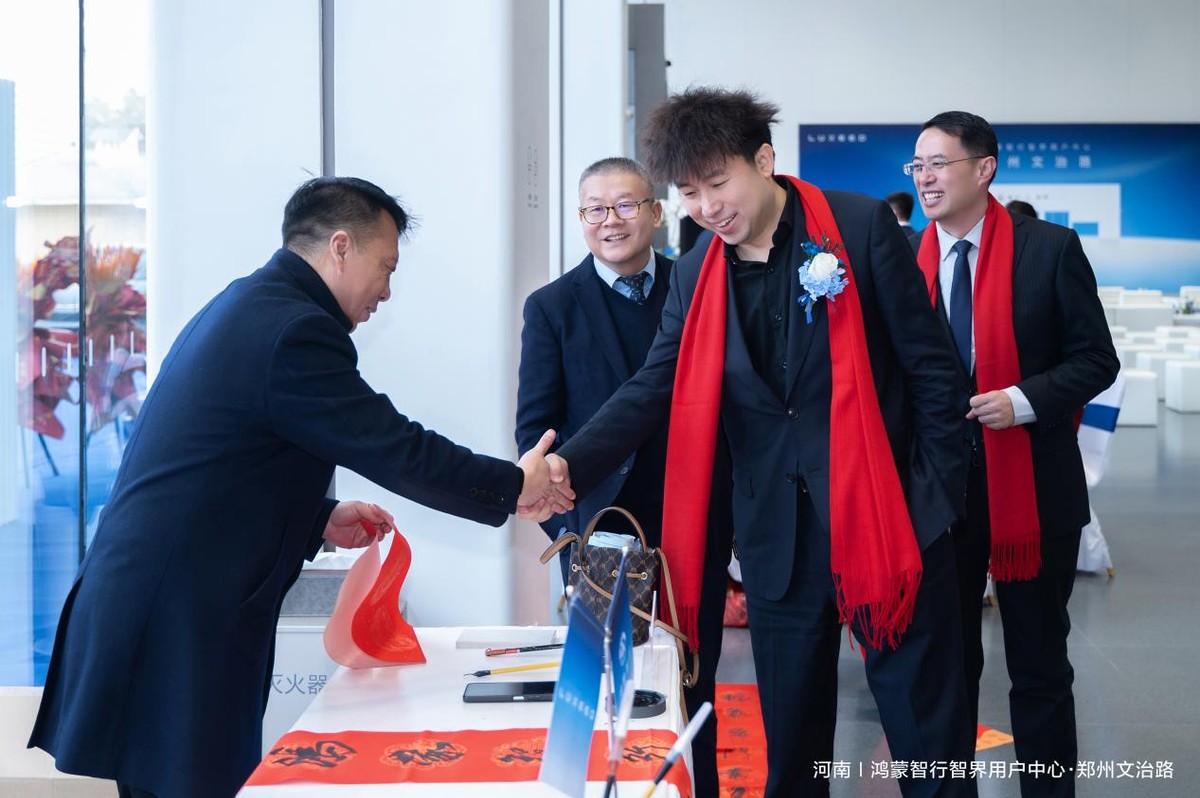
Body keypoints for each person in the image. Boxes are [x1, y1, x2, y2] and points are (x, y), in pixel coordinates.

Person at [28, 176, 572, 798]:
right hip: (176, 618)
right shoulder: (293, 331)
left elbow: (222, 464)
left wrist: (318, 517)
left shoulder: (252, 303)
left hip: (164, 599)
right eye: (385, 267)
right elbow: (393, 445)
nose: (387, 291)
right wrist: (513, 484)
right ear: (341, 247)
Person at [548, 87, 976, 797]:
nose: (706, 207)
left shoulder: (859, 228)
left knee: (927, 738)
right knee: (794, 749)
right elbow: (652, 387)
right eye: (689, 193)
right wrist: (564, 464)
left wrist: (930, 502)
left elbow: (934, 373)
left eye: (718, 183)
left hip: (886, 520)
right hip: (777, 542)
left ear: (765, 160)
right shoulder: (696, 273)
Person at [909, 112, 1119, 797]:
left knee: (1038, 665)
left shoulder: (1049, 249)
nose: (925, 178)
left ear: (984, 168)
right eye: (917, 166)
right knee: (946, 666)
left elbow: (1096, 359)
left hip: (1033, 486)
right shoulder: (902, 260)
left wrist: (1023, 400)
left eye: (939, 163)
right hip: (936, 495)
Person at [516, 157, 730, 798]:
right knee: (606, 683)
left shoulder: (698, 288)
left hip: (695, 515)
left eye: (627, 205)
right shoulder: (552, 307)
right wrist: (569, 525)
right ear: (580, 218)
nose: (611, 221)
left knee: (694, 676)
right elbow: (536, 431)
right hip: (601, 531)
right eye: (595, 209)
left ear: (657, 213)